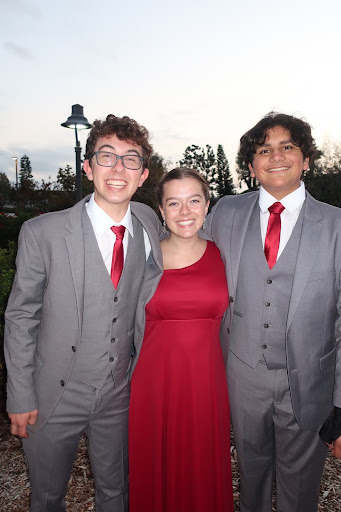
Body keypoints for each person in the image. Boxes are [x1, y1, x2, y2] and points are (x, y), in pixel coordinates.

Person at [4, 114, 163, 512]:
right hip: (53, 391)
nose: (118, 168)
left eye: (131, 159)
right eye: (106, 156)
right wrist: (19, 393)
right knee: (46, 496)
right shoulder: (43, 233)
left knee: (116, 492)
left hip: (118, 390)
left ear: (143, 175)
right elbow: (22, 317)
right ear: (88, 166)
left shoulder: (148, 223)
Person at [204, 112, 341, 511]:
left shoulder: (337, 226)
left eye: (288, 147)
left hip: (309, 384)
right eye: (264, 149)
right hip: (241, 376)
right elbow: (185, 259)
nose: (276, 156)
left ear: (307, 159)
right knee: (252, 478)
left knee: (300, 493)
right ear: (251, 166)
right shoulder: (225, 212)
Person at [128, 167, 234, 512]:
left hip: (207, 382)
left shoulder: (227, 257)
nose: (185, 212)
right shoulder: (143, 258)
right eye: (174, 203)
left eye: (194, 201)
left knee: (203, 467)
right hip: (153, 384)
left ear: (207, 205)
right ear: (161, 210)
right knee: (155, 467)